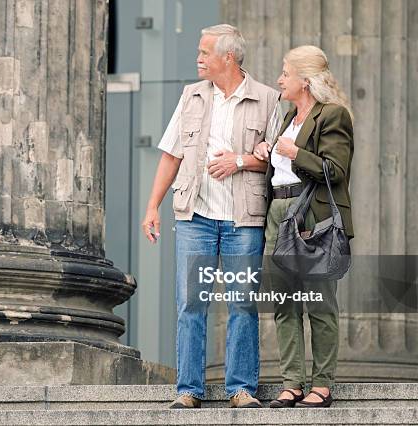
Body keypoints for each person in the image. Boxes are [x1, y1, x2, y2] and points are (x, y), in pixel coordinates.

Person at [142, 24, 280, 409]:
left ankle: (241, 389)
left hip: (244, 220)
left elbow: (276, 160)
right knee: (190, 303)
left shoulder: (268, 100)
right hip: (195, 216)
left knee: (242, 302)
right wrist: (152, 205)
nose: (198, 59)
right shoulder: (191, 96)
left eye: (205, 52)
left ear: (228, 58)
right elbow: (172, 154)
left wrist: (239, 162)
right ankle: (188, 390)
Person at [253, 45, 354, 408]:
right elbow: (281, 165)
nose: (279, 79)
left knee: (319, 302)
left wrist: (296, 154)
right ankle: (292, 382)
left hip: (314, 215)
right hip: (278, 211)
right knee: (284, 302)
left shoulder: (333, 115)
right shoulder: (288, 117)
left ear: (305, 81)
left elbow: (336, 170)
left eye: (285, 73)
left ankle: (322, 384)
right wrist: (268, 150)